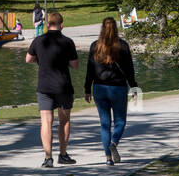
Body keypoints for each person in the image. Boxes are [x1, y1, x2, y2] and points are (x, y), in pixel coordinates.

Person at [25, 10, 78, 167]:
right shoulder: (68, 42)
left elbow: (28, 59)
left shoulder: (39, 40)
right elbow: (75, 65)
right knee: (64, 121)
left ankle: (48, 158)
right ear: (62, 25)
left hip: (44, 87)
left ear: (47, 25)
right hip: (63, 86)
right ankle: (63, 154)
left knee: (46, 122)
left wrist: (40, 60)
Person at [84, 17, 137, 164]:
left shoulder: (95, 46)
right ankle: (113, 143)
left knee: (105, 124)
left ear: (102, 28)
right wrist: (134, 86)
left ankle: (108, 158)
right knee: (120, 121)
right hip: (118, 88)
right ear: (116, 28)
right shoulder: (123, 46)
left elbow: (90, 70)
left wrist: (87, 89)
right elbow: (129, 70)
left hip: (99, 88)